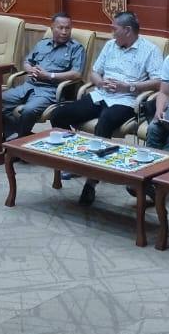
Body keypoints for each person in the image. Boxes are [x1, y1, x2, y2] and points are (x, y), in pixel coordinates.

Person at [48, 11, 163, 205]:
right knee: (59, 114)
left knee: (105, 123)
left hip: (127, 100)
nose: (111, 34)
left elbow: (159, 82)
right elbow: (94, 73)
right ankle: (76, 161)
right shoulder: (110, 46)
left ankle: (91, 182)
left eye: (114, 29)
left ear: (127, 30)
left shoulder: (150, 50)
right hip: (101, 95)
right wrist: (100, 83)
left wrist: (129, 87)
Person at [1, 13, 85, 140]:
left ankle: (18, 141)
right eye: (60, 28)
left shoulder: (76, 48)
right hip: (29, 85)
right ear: (52, 28)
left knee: (29, 110)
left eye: (67, 28)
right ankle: (15, 136)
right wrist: (30, 68)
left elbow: (77, 73)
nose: (64, 32)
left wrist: (49, 75)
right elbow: (27, 62)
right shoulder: (42, 44)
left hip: (50, 91)